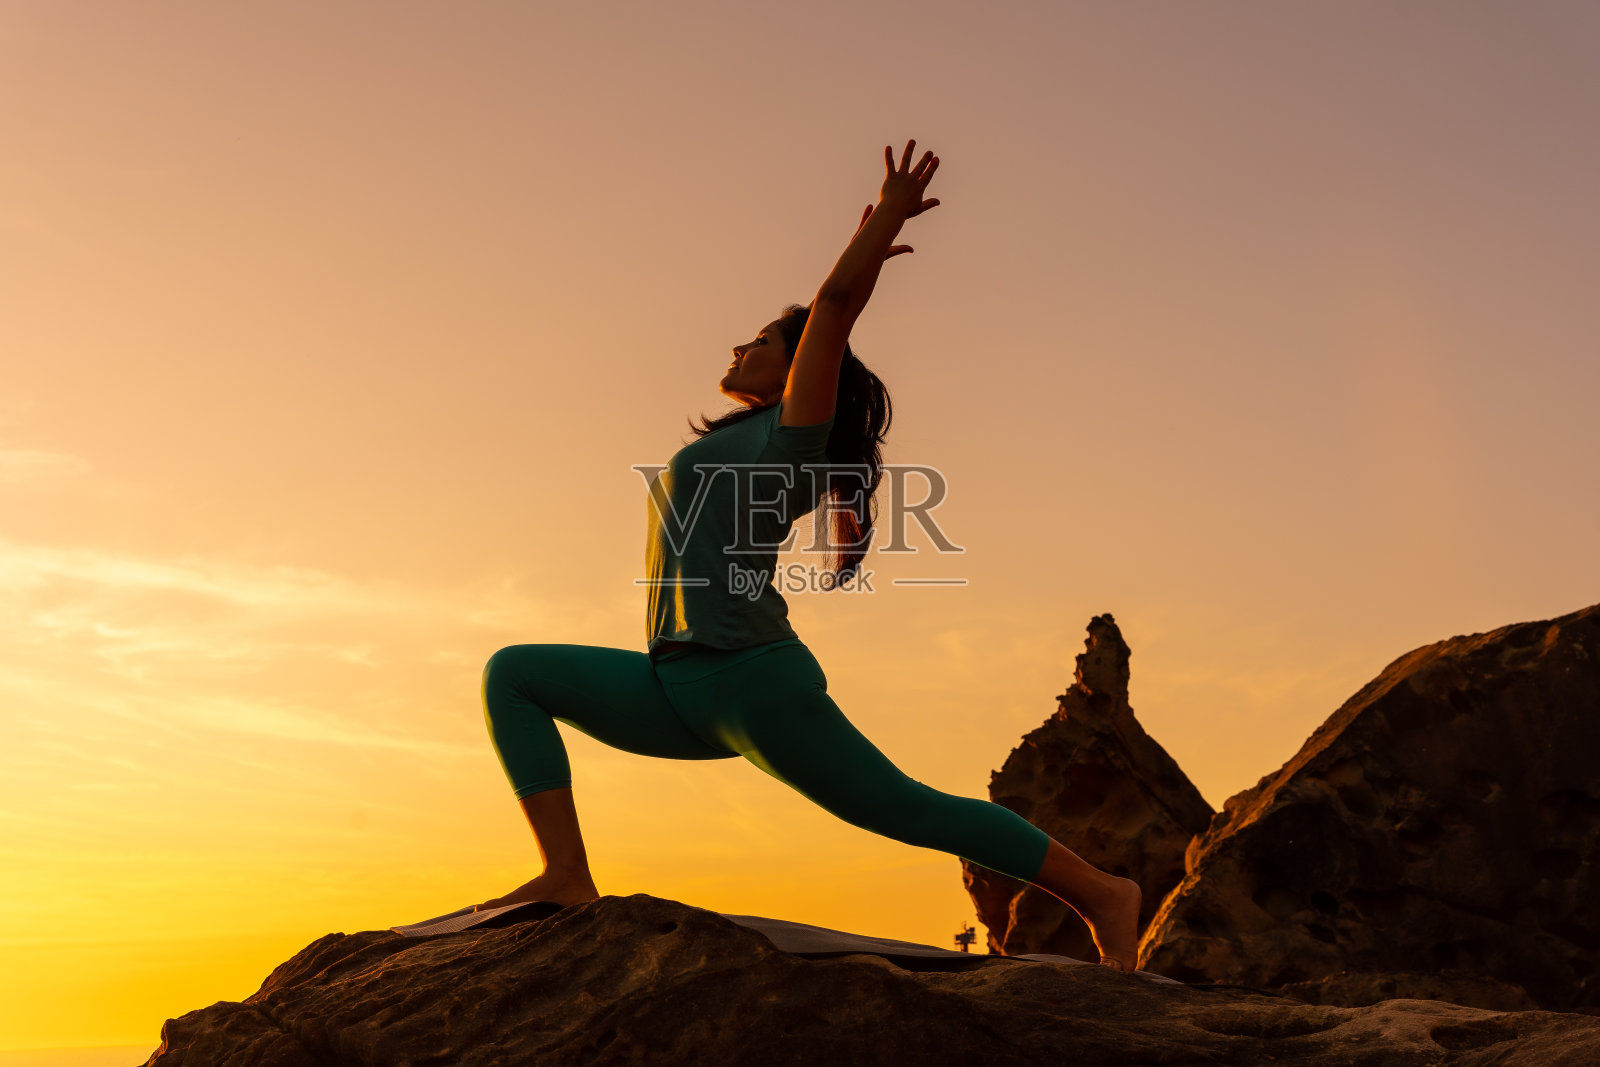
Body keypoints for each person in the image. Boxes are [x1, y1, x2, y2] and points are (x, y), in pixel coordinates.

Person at [474, 140, 1143, 971]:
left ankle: (1105, 893)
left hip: (754, 681)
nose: (738, 345)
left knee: (908, 809)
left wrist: (881, 227)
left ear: (797, 369)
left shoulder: (796, 432)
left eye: (760, 339)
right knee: (514, 672)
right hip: (672, 681)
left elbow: (831, 305)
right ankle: (566, 874)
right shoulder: (739, 438)